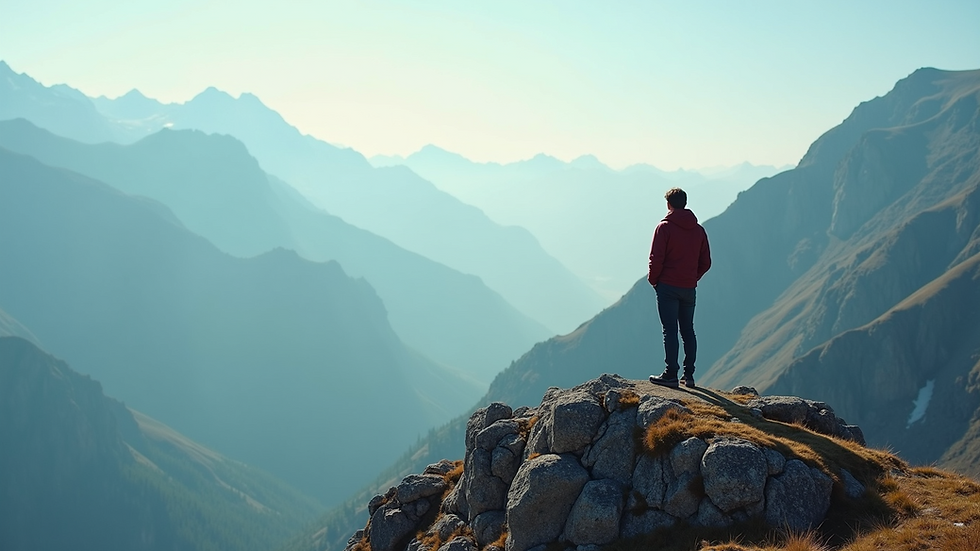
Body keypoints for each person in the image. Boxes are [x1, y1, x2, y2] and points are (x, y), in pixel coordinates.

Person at [647, 188, 711, 389]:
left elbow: (656, 259)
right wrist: (693, 277)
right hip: (689, 287)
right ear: (685, 203)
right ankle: (689, 375)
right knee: (688, 330)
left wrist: (654, 280)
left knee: (670, 330)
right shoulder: (698, 230)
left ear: (669, 204)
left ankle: (671, 375)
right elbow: (706, 262)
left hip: (667, 286)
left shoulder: (664, 228)